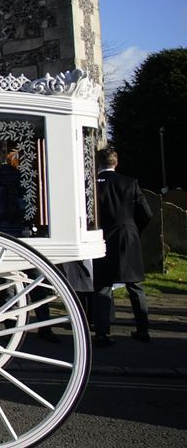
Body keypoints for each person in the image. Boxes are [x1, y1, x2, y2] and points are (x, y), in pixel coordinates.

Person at [92, 147, 152, 347]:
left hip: (103, 236)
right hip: (128, 235)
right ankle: (143, 329)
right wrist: (134, 229)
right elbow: (146, 213)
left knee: (103, 286)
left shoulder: (92, 185)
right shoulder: (130, 183)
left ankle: (102, 332)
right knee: (135, 285)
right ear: (116, 162)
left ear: (98, 163)